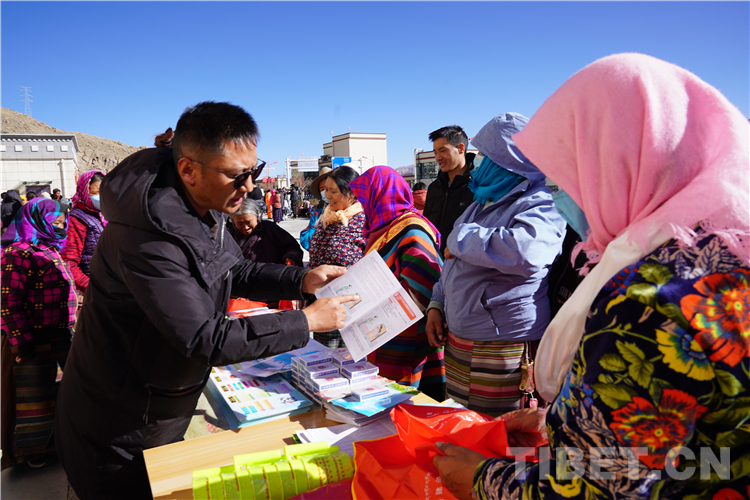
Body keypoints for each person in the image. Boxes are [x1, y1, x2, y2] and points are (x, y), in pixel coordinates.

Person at [433, 53, 750, 499]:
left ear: (620, 165)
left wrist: (483, 480)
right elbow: (680, 445)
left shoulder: (651, 298)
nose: (562, 194)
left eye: (570, 173)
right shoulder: (721, 259)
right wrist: (567, 421)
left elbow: (602, 485)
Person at [54, 101, 356, 500]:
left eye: (253, 171)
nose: (249, 187)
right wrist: (307, 322)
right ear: (188, 171)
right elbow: (203, 337)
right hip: (120, 420)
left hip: (157, 400)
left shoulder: (198, 209)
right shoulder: (150, 237)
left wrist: (302, 280)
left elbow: (233, 270)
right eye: (236, 175)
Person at [425, 113, 565, 416]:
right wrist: (437, 303)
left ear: (507, 161)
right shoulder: (482, 202)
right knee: (464, 425)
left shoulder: (539, 203)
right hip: (462, 337)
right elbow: (453, 263)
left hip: (503, 344)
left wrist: (461, 237)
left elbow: (528, 251)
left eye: (485, 157)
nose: (478, 164)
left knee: (498, 431)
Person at [350, 166, 446, 401]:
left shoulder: (411, 229)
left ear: (380, 196)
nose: (363, 206)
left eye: (366, 198)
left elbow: (427, 284)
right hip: (382, 333)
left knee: (405, 401)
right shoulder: (384, 228)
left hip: (408, 339)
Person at [1, 198, 76, 470]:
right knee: (32, 398)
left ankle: (56, 443)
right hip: (31, 338)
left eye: (62, 221)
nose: (60, 226)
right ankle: (31, 452)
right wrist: (23, 342)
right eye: (55, 221)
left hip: (58, 335)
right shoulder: (17, 254)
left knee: (56, 394)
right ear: (36, 220)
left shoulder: (48, 248)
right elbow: (8, 302)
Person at [309, 166, 366, 348]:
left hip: (351, 307)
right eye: (325, 190)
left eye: (333, 191)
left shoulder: (364, 221)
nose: (327, 196)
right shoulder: (326, 218)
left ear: (351, 193)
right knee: (323, 356)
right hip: (321, 303)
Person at [423, 125, 476, 254]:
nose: (438, 157)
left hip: (462, 261)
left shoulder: (478, 186)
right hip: (433, 261)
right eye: (435, 152)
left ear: (460, 148)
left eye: (443, 151)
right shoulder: (434, 188)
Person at [61, 170, 107, 309]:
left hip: (106, 287)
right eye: (96, 193)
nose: (101, 197)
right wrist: (90, 288)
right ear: (85, 192)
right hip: (91, 291)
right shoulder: (77, 220)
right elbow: (69, 262)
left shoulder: (102, 216)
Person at [229, 197, 303, 266]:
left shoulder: (268, 228)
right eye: (240, 223)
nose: (245, 227)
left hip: (272, 273)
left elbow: (292, 246)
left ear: (257, 217)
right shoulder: (230, 235)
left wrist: (290, 258)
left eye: (249, 222)